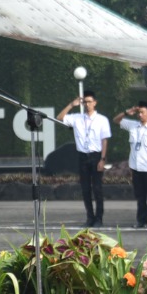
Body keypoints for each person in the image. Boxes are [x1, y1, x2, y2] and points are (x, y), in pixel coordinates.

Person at [59, 91, 111, 227]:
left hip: (96, 155)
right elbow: (60, 118)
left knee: (97, 189)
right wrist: (71, 105)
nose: (87, 104)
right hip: (83, 156)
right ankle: (90, 217)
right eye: (85, 102)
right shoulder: (77, 118)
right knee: (85, 189)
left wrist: (103, 159)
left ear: (95, 102)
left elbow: (104, 140)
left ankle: (99, 218)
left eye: (89, 102)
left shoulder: (102, 119)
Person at [114, 103, 147, 228]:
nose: (140, 115)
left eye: (143, 112)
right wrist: (126, 112)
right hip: (136, 167)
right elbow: (116, 120)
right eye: (139, 113)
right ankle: (141, 220)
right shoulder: (133, 126)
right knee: (140, 196)